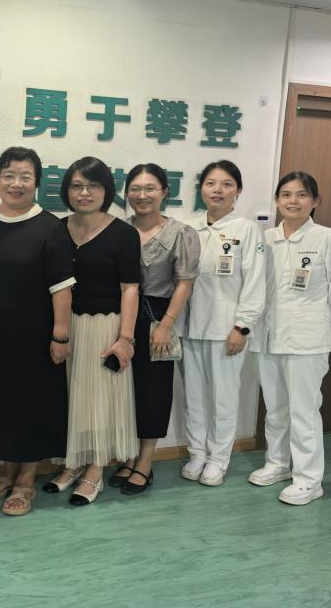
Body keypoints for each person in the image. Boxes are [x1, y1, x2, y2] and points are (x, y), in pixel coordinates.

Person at [0, 146, 74, 517]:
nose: (16, 183)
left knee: (31, 407)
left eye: (25, 176)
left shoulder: (51, 227)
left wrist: (60, 335)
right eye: (8, 175)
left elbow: (62, 287)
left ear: (37, 182)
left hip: (36, 339)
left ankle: (26, 480)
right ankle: (5, 471)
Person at [248, 172, 331, 505]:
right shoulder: (266, 239)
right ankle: (277, 463)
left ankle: (308, 479)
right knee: (275, 407)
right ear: (277, 200)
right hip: (267, 336)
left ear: (315, 201)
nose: (293, 201)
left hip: (307, 340)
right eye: (286, 194)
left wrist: (318, 326)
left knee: (304, 411)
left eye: (302, 194)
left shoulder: (328, 239)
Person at [45, 156, 141, 506]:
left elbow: (130, 288)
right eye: (76, 186)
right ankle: (74, 463)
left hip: (105, 326)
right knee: (71, 396)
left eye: (93, 186)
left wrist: (125, 339)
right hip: (65, 325)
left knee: (100, 399)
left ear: (106, 190)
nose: (84, 193)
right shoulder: (56, 228)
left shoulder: (124, 233)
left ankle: (95, 470)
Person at [110, 163, 200, 495]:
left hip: (158, 317)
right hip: (121, 315)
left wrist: (166, 324)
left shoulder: (181, 233)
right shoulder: (118, 230)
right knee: (123, 388)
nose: (142, 195)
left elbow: (184, 283)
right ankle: (127, 455)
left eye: (150, 188)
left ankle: (146, 461)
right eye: (135, 189)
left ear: (165, 191)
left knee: (154, 389)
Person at [180, 160, 266, 487]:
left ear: (238, 190)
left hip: (227, 330)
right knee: (194, 397)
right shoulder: (188, 228)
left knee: (223, 398)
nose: (218, 190)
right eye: (211, 183)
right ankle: (197, 453)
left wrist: (242, 326)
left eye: (227, 184)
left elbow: (255, 282)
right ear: (201, 188)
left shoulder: (246, 230)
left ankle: (218, 459)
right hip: (189, 328)